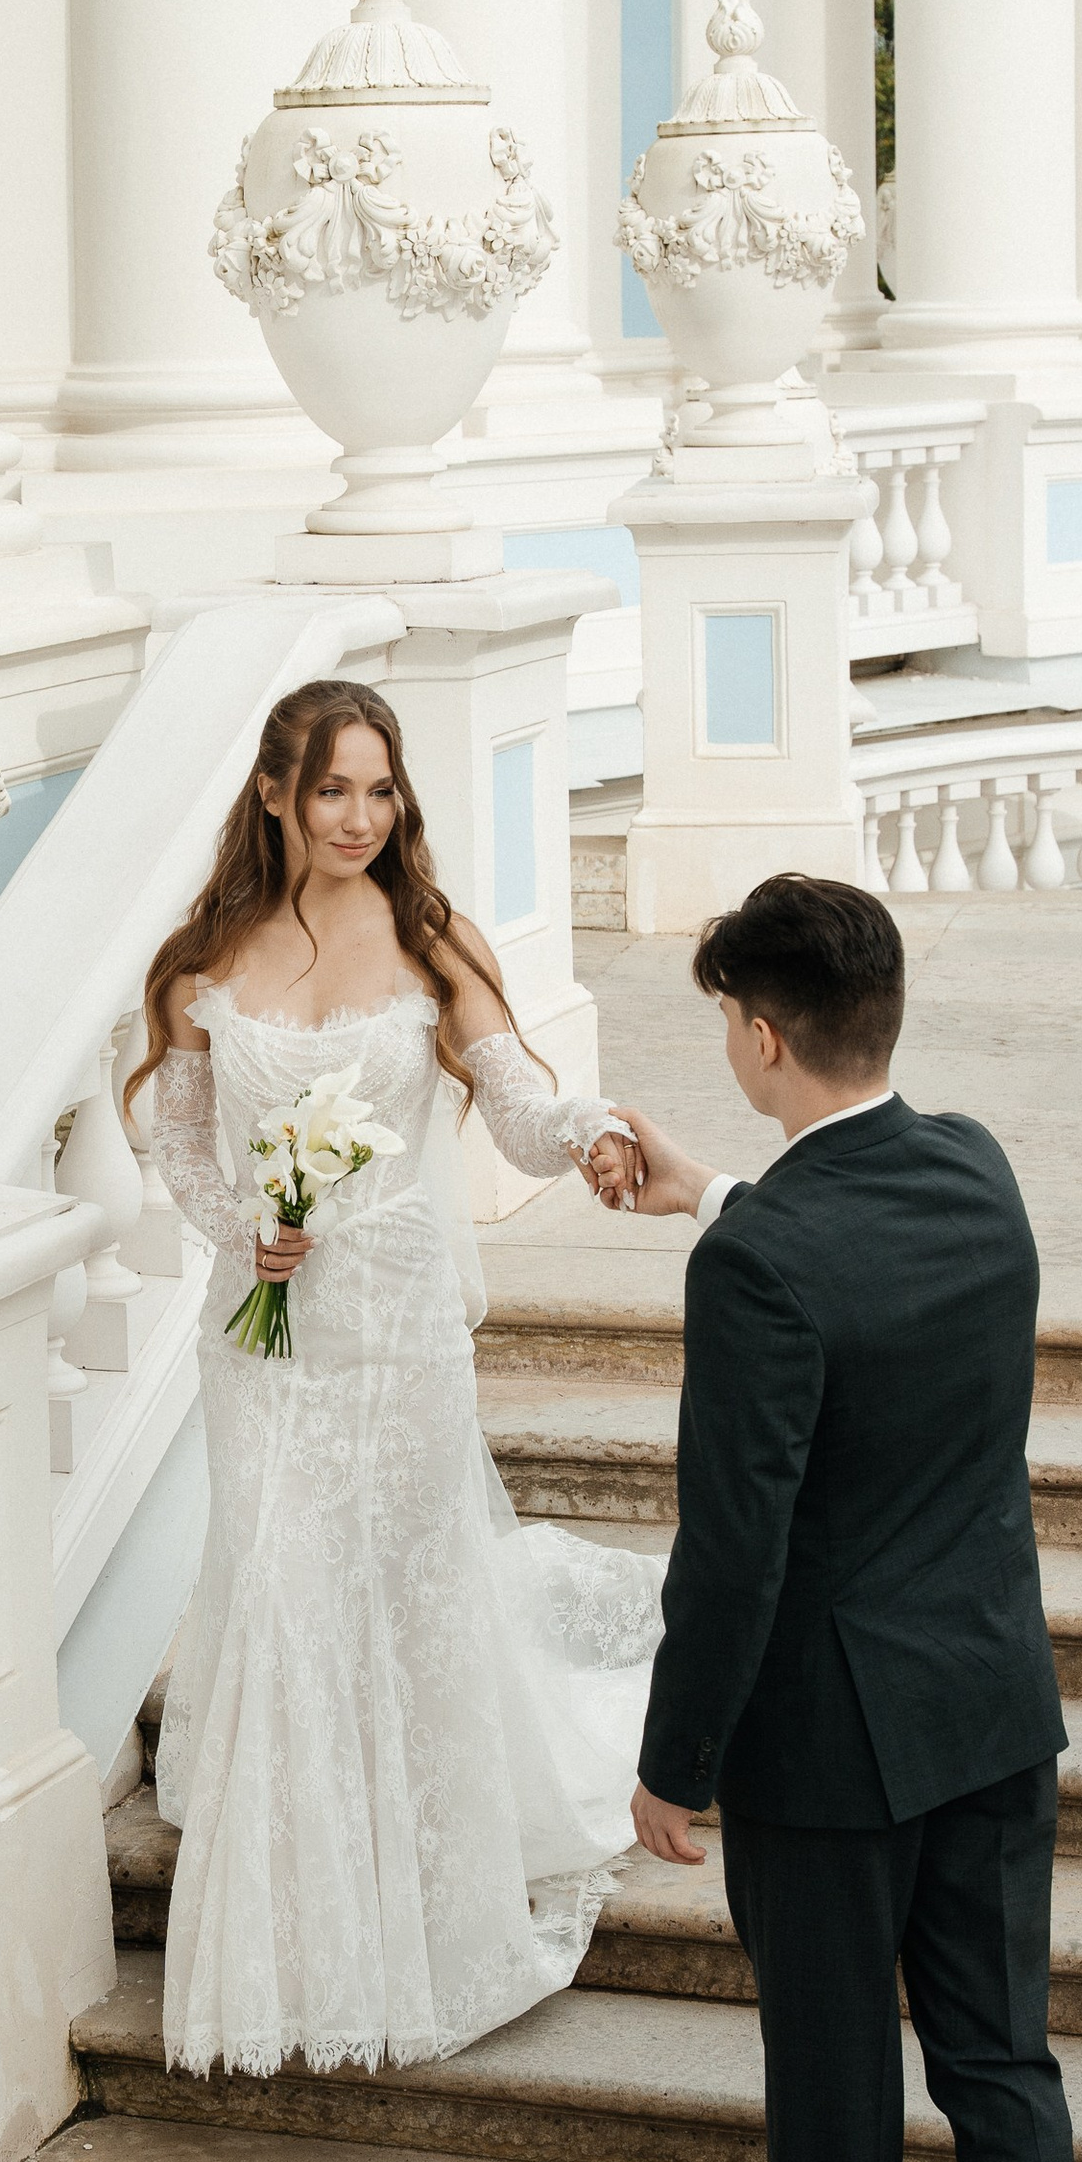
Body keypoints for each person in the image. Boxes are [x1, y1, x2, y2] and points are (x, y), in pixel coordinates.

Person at [603, 872, 1082, 2162]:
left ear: (757, 1036)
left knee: (832, 2088)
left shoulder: (760, 1263)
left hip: (828, 1747)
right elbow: (848, 1246)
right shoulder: (976, 1169)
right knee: (1006, 2078)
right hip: (992, 1708)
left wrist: (677, 1761)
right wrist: (712, 1191)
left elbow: (735, 1546)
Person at [131, 677, 663, 2080]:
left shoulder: (430, 940)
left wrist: (590, 1132)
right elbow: (176, 1137)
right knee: (284, 1582)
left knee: (405, 1578)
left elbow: (517, 1104)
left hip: (400, 1325)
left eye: (379, 790)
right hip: (269, 1332)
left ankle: (424, 1874)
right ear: (274, 795)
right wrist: (241, 1227)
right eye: (331, 790)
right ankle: (292, 1916)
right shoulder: (207, 956)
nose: (359, 817)